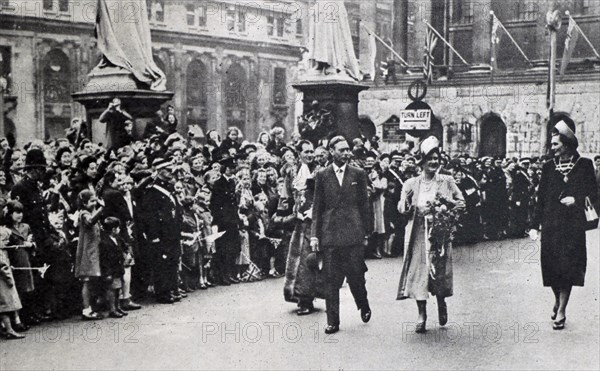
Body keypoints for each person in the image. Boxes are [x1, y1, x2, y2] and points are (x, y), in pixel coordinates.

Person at [530, 118, 598, 330]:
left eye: (555, 144)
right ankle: (558, 299)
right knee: (551, 269)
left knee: (568, 267)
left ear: (567, 144)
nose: (552, 148)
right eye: (551, 145)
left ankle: (561, 310)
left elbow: (594, 195)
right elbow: (540, 198)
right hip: (551, 226)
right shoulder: (549, 167)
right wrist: (534, 225)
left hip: (573, 226)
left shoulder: (585, 165)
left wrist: (576, 200)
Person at [397, 136, 465, 333]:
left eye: (437, 159)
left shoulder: (447, 181)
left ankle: (441, 301)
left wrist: (447, 204)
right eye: (430, 159)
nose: (434, 162)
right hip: (418, 234)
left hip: (439, 235)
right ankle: (422, 314)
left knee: (438, 273)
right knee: (420, 273)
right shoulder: (410, 183)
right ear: (422, 161)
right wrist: (406, 204)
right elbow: (402, 207)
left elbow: (461, 203)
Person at [310, 135, 372, 334]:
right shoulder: (322, 175)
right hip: (330, 235)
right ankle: (332, 321)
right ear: (331, 152)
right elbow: (317, 207)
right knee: (331, 280)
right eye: (342, 150)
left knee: (356, 276)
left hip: (353, 234)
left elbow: (365, 205)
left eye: (348, 149)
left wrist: (366, 232)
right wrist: (314, 235)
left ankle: (363, 303)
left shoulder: (358, 174)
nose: (347, 153)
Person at [74, 190, 105, 320]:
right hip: (87, 252)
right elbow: (90, 221)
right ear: (84, 202)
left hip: (94, 250)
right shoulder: (84, 213)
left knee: (92, 281)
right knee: (86, 281)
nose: (94, 203)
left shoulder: (91, 211)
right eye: (91, 201)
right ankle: (86, 310)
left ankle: (91, 307)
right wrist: (102, 207)